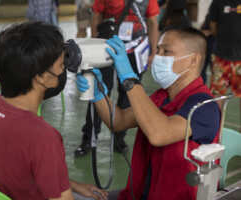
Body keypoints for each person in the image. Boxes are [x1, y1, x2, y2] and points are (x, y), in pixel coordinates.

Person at [76, 27, 221, 199]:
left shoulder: (204, 106)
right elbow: (119, 122)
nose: (158, 57)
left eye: (166, 51)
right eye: (157, 50)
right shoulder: (161, 97)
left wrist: (129, 79)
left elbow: (159, 134)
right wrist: (99, 93)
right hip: (140, 194)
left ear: (193, 60)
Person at [0, 22, 107, 200]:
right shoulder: (43, 137)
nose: (64, 67)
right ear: (41, 77)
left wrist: (71, 185)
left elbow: (21, 169)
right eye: (61, 63)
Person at [74, 0, 160, 157]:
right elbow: (97, 16)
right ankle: (88, 139)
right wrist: (95, 44)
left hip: (135, 49)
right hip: (108, 47)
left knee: (129, 95)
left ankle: (119, 139)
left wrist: (153, 51)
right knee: (97, 93)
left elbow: (153, 22)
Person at [209, 0, 241, 131]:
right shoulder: (218, 2)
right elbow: (213, 25)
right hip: (221, 57)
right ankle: (215, 129)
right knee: (217, 94)